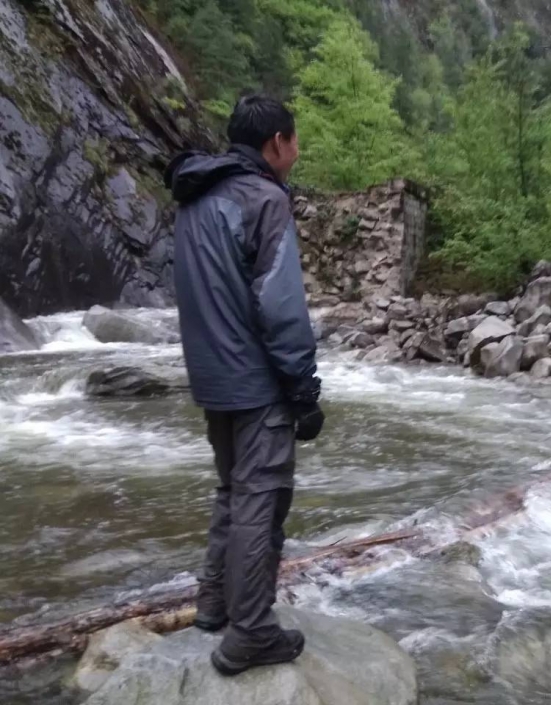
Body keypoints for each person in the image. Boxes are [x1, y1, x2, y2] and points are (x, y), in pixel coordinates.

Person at [164, 95, 324, 676]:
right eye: (295, 140)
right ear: (277, 143)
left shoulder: (195, 196)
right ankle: (252, 632)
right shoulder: (263, 199)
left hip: (209, 375)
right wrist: (303, 390)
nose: (297, 151)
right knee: (262, 498)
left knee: (233, 490)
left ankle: (214, 604)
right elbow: (280, 307)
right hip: (255, 381)